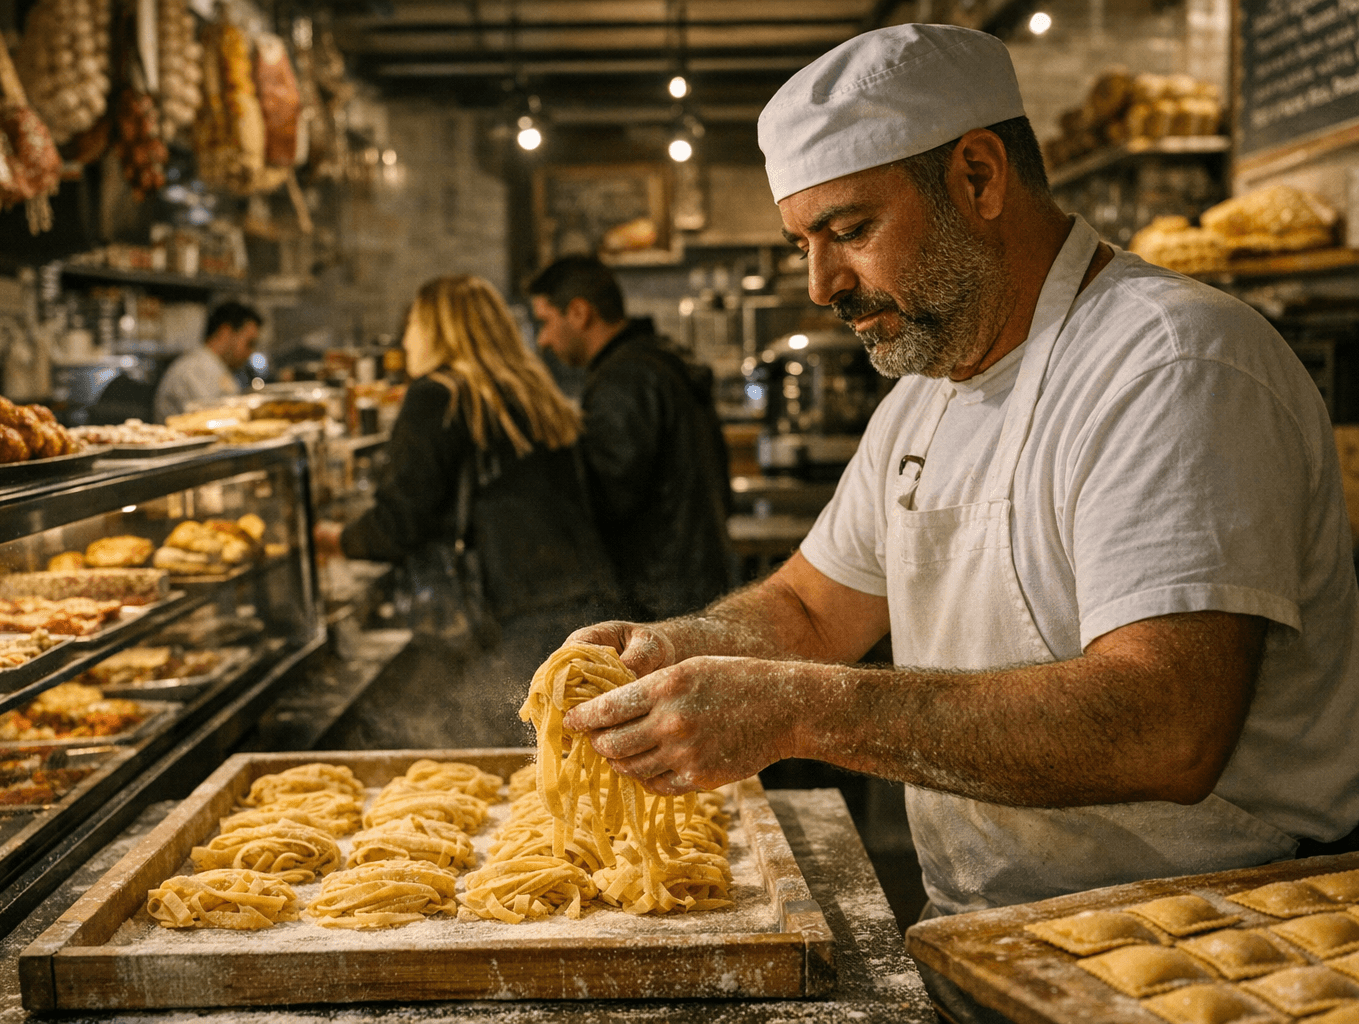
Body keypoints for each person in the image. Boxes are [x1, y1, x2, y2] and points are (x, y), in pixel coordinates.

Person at [559, 22, 1359, 925]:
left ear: (978, 177)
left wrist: (797, 713)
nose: (821, 285)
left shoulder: (1170, 365)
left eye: (850, 231)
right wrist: (675, 648)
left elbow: (1166, 727)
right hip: (997, 933)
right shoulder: (928, 390)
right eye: (802, 246)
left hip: (1221, 933)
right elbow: (815, 610)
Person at [318, 275, 618, 747]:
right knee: (577, 757)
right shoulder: (531, 389)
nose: (405, 336)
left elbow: (401, 521)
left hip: (507, 614)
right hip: (585, 601)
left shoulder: (439, 395)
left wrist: (335, 541)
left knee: (512, 764)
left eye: (413, 322)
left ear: (438, 328)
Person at [527, 256, 733, 620]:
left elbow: (608, 502)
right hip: (697, 582)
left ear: (578, 312)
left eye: (545, 321)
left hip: (660, 597)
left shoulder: (624, 379)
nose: (543, 340)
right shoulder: (659, 360)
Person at [152, 301, 262, 422]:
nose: (250, 352)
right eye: (249, 343)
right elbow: (211, 420)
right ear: (225, 333)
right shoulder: (194, 369)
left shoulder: (215, 367)